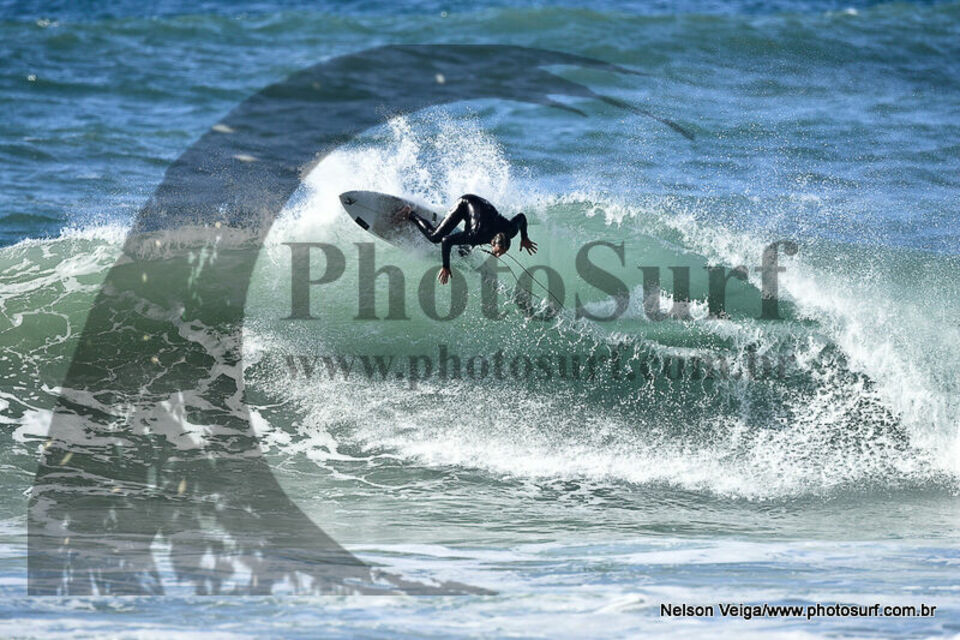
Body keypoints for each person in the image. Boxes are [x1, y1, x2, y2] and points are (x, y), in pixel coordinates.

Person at [403, 194, 537, 284]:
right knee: (435, 237)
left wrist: (524, 238)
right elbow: (446, 240)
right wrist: (445, 267)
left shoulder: (511, 230)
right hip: (466, 203)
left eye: (501, 253)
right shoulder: (476, 235)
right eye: (497, 252)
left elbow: (521, 217)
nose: (497, 256)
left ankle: (463, 246)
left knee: (465, 250)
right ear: (492, 242)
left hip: (482, 212)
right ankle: (410, 214)